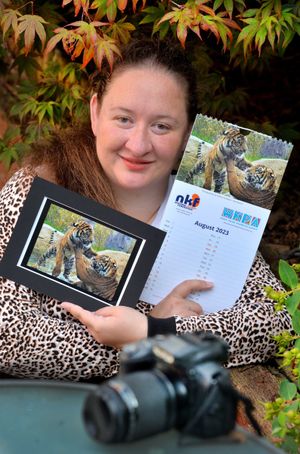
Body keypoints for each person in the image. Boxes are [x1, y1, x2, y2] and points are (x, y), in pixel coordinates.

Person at [0, 37, 292, 380]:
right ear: (95, 113)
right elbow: (7, 336)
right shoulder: (41, 188)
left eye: (162, 126)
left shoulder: (211, 209)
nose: (138, 145)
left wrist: (153, 330)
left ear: (187, 133)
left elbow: (279, 319)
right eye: (124, 119)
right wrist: (136, 347)